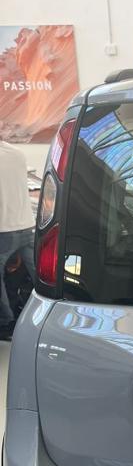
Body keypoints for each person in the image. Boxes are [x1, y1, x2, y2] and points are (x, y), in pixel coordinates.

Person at [0, 139, 36, 338]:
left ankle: (5, 322)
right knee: (41, 275)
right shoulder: (17, 153)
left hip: (4, 230)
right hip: (27, 226)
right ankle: (61, 306)